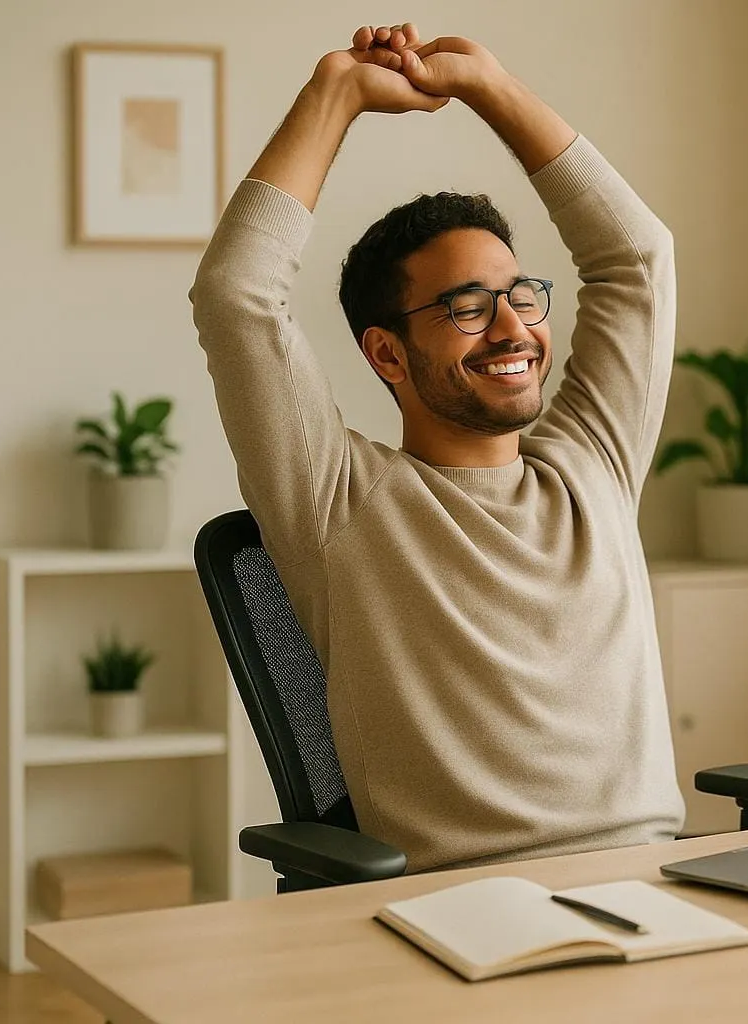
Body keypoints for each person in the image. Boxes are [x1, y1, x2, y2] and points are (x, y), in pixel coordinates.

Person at [191, 24, 683, 871]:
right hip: (464, 908)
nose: (512, 328)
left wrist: (491, 87)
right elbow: (238, 294)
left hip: (653, 880)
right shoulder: (336, 499)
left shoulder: (592, 464)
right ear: (387, 354)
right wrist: (334, 95)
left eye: (521, 295)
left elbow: (637, 259)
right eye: (465, 306)